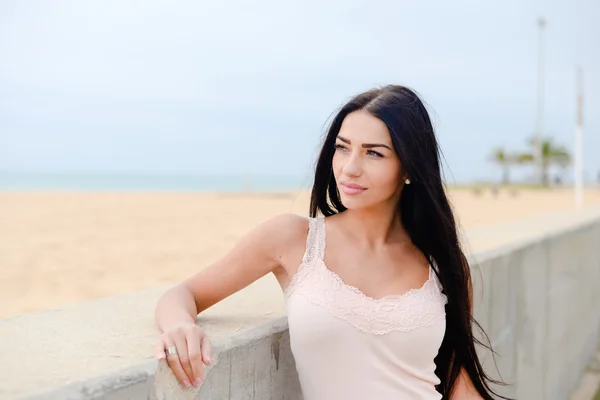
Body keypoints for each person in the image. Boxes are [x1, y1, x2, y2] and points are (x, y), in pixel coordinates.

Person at [154, 85, 508, 399]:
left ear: (409, 168)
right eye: (343, 148)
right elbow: (182, 294)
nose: (349, 168)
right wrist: (180, 326)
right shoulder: (294, 240)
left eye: (374, 153)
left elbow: (459, 384)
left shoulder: (442, 264)